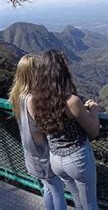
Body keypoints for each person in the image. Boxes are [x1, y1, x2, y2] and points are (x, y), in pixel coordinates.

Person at [31, 50, 101, 210]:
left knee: (78, 202)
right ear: (61, 72)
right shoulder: (71, 101)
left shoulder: (36, 102)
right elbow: (94, 131)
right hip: (77, 158)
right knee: (90, 204)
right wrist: (94, 111)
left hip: (55, 159)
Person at [9, 54, 67, 210]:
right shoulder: (32, 99)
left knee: (48, 188)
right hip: (42, 153)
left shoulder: (17, 95)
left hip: (31, 153)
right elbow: (44, 125)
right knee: (57, 191)